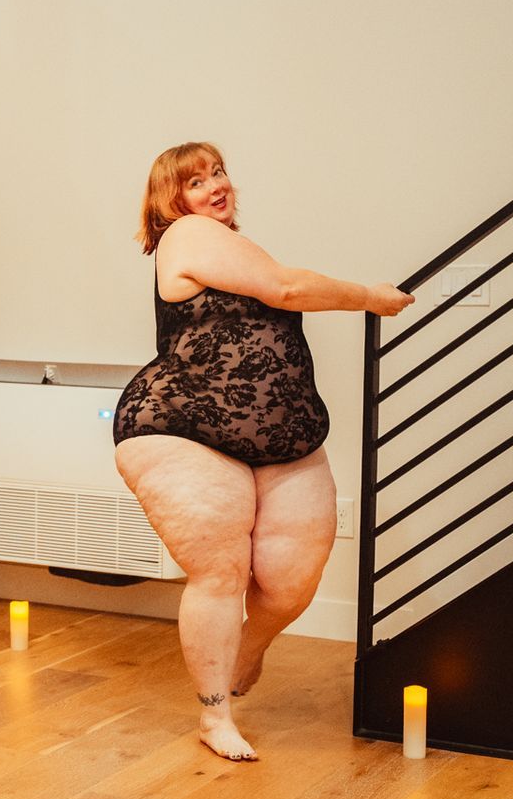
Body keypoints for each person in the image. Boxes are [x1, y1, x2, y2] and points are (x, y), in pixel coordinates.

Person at [113, 142, 413, 762]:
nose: (215, 186)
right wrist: (369, 296)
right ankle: (214, 715)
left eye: (218, 173)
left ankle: (247, 651)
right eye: (196, 182)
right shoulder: (186, 236)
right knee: (221, 571)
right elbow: (286, 286)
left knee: (292, 583)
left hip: (283, 434)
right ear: (172, 203)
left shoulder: (233, 247)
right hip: (185, 423)